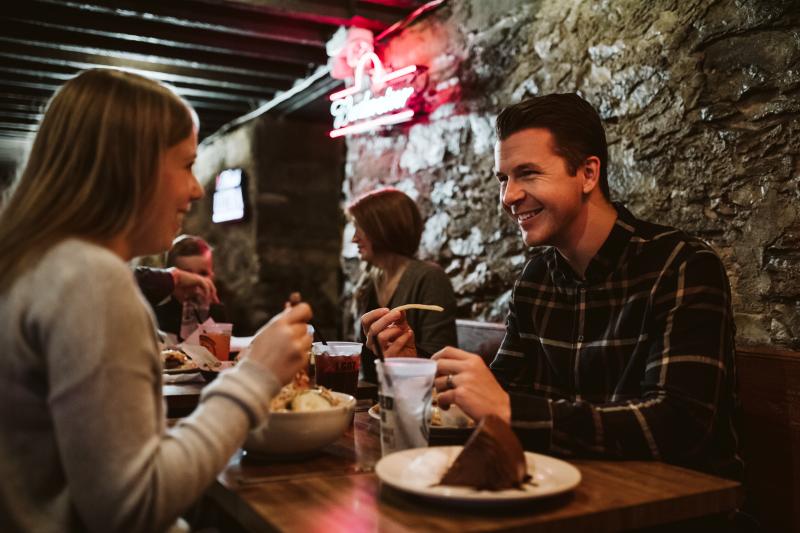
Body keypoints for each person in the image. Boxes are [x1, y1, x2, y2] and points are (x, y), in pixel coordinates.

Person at [362, 93, 742, 479]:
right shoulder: (536, 278)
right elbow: (500, 391)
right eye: (503, 179)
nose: (508, 196)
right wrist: (414, 364)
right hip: (565, 493)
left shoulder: (681, 264)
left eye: (528, 173)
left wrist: (511, 410)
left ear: (588, 174)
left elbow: (682, 426)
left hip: (679, 508)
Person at [0, 68, 312, 532]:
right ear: (132, 166)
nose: (196, 189)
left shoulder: (36, 263)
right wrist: (255, 377)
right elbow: (133, 505)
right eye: (186, 164)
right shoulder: (90, 279)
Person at [348, 187, 457, 382]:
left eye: (359, 228)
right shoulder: (368, 281)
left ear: (382, 229)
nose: (354, 238)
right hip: (372, 401)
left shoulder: (429, 278)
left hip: (413, 398)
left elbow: (441, 363)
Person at [149, 234, 228, 339]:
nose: (198, 282)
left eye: (203, 274)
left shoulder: (217, 312)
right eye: (187, 276)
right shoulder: (156, 315)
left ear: (212, 276)